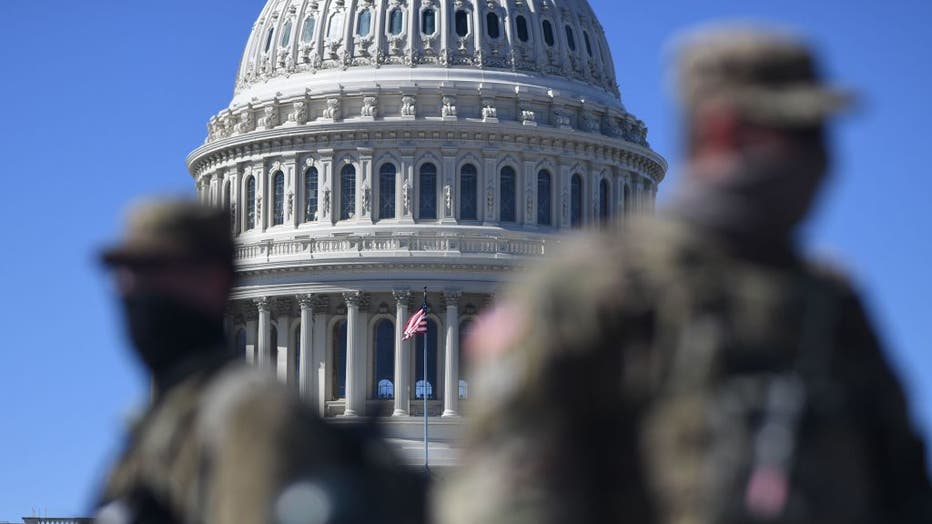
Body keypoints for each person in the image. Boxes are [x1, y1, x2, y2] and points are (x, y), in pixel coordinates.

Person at [435, 26, 932, 524]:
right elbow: (507, 496)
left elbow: (903, 487)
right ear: (724, 131)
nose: (823, 157)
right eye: (798, 133)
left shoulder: (830, 303)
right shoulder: (590, 290)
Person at [95, 199, 422, 524]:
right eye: (125, 272)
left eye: (155, 270)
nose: (131, 288)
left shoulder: (250, 409)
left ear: (215, 279)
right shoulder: (155, 425)